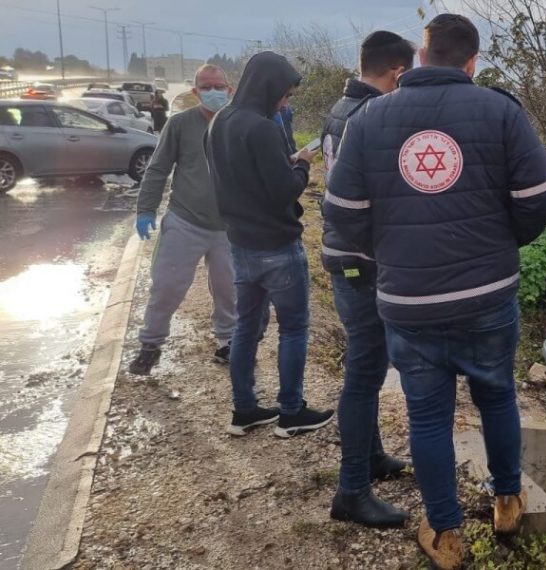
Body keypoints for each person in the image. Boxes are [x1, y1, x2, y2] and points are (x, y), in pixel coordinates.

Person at [326, 14, 546, 569]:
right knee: (497, 396)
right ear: (472, 61)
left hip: (408, 302)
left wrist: (391, 252)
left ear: (422, 57)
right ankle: (507, 501)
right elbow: (540, 196)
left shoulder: (369, 118)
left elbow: (340, 213)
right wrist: (503, 240)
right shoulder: (501, 111)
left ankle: (448, 537)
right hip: (488, 295)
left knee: (427, 417)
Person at [205, 51, 334, 438]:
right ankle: (291, 412)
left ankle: (244, 410)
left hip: (240, 243)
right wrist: (303, 163)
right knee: (294, 328)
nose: (285, 102)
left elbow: (241, 176)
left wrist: (285, 161)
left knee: (245, 328)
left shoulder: (220, 123)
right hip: (277, 246)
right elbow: (284, 190)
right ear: (268, 87)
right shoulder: (261, 127)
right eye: (285, 94)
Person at [321, 30, 415, 530]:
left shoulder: (341, 108)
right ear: (397, 71)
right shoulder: (370, 119)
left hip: (346, 259)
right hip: (359, 264)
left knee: (370, 367)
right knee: (363, 373)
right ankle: (351, 490)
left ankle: (372, 458)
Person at [128, 65, 235, 376]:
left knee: (231, 290)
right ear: (195, 91)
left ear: (230, 90)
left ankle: (228, 342)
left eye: (219, 86)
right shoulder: (179, 124)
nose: (213, 91)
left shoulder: (238, 124)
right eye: (206, 86)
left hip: (230, 227)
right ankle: (150, 344)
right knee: (166, 285)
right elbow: (158, 168)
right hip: (185, 220)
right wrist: (146, 208)